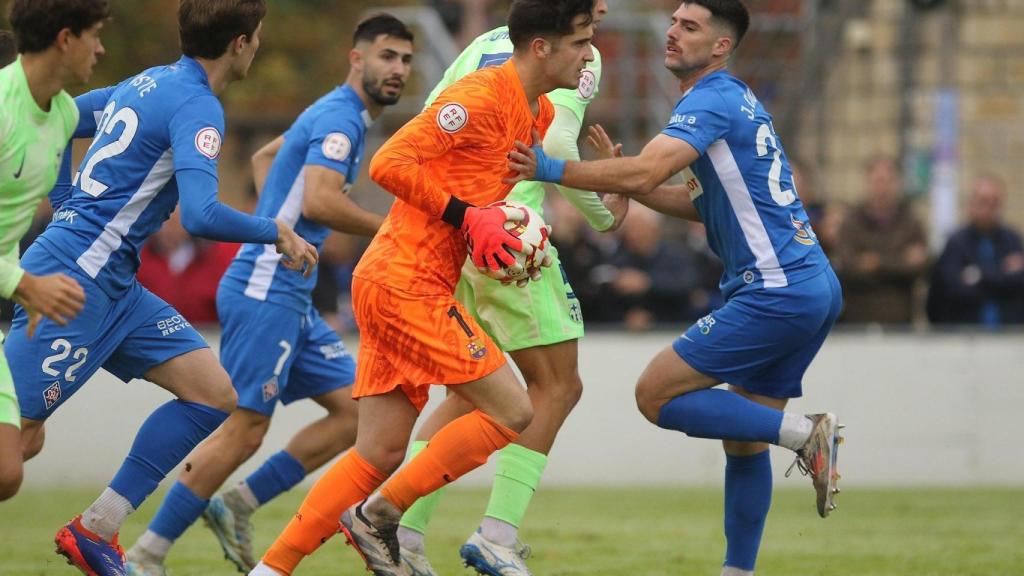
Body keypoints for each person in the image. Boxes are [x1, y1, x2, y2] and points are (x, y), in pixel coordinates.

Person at [250, 1, 597, 574]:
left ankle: (271, 569)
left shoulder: (532, 114)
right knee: (514, 409)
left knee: (378, 452)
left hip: (402, 280)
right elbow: (389, 162)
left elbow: (480, 192)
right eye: (581, 41)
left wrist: (509, 238)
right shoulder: (480, 96)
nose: (589, 55)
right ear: (542, 47)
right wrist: (468, 217)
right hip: (405, 281)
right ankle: (379, 516)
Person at [508, 2, 843, 575]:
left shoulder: (709, 98)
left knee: (654, 395)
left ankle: (804, 434)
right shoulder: (734, 97)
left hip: (775, 289)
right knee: (743, 442)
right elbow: (699, 203)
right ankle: (738, 570)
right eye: (673, 21)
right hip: (808, 285)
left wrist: (549, 167)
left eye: (689, 27)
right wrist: (628, 183)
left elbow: (645, 171)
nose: (671, 32)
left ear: (719, 46)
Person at [3, 1, 319, 574]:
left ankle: (96, 528)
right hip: (72, 279)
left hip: (116, 284)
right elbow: (199, 215)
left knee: (214, 394)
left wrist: (66, 192)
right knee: (16, 446)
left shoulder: (150, 81)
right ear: (242, 43)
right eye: (260, 37)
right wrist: (274, 230)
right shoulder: (198, 105)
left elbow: (62, 116)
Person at [123, 14, 414, 575]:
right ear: (357, 59)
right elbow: (324, 201)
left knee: (352, 414)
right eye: (385, 56)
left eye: (404, 59)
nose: (396, 69)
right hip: (266, 287)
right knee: (243, 426)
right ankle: (145, 555)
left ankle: (238, 503)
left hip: (287, 289)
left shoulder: (332, 111)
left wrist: (278, 229)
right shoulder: (341, 120)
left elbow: (264, 161)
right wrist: (392, 229)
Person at [392, 2, 627, 574]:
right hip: (510, 236)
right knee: (557, 386)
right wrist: (606, 213)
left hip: (458, 232)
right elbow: (559, 146)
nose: (600, 10)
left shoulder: (490, 43)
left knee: (468, 393)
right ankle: (496, 534)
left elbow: (432, 119)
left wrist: (458, 215)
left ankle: (404, 532)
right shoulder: (576, 49)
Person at [0, 0, 105, 502]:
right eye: (95, 35)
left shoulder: (63, 115)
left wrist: (31, 286)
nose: (101, 49)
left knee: (9, 467)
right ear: (66, 39)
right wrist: (24, 285)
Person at [833, 156, 928, 324]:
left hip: (900, 321)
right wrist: (899, 261)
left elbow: (919, 266)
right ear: (867, 183)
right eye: (877, 181)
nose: (882, 188)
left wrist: (875, 262)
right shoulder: (851, 223)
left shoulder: (911, 222)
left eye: (888, 181)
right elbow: (847, 267)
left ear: (897, 183)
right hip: (858, 320)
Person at [927, 175, 1024, 326]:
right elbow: (952, 290)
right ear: (971, 204)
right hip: (965, 333)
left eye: (995, 203)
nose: (989, 209)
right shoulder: (956, 244)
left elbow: (1018, 282)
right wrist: (1001, 275)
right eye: (983, 202)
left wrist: (978, 275)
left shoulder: (1012, 240)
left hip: (1008, 334)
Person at [136, 207, 239, 325]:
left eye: (176, 223)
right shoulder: (137, 259)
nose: (170, 230)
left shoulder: (215, 257)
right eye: (163, 222)